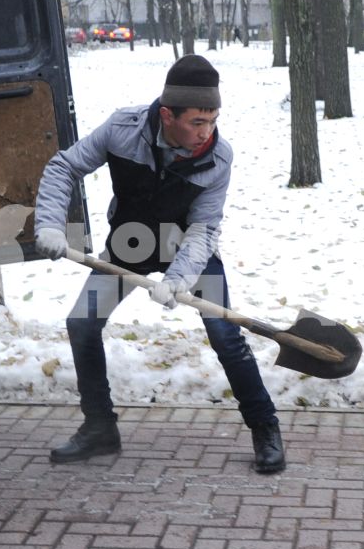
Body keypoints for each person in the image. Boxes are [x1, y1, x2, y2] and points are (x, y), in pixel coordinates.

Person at [32, 54, 285, 473]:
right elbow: (64, 166)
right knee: (81, 323)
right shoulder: (122, 129)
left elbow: (204, 229)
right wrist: (51, 225)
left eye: (213, 120)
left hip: (190, 249)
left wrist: (179, 279)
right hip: (131, 243)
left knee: (226, 335)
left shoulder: (218, 157)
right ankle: (99, 428)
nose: (207, 132)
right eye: (197, 122)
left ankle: (265, 427)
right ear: (167, 115)